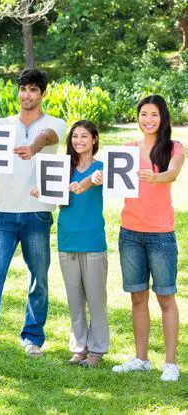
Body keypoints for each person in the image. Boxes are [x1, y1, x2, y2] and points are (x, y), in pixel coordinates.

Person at [0, 68, 67, 362]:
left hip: (38, 214)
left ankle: (32, 338)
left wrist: (32, 147)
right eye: (23, 89)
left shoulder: (56, 124)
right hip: (5, 214)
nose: (27, 95)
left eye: (33, 90)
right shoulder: (0, 124)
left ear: (42, 94)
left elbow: (46, 137)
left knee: (39, 279)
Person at [110, 95, 184, 382]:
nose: (148, 119)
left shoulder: (174, 147)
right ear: (138, 117)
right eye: (144, 114)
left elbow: (173, 173)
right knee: (137, 298)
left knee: (165, 297)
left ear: (162, 117)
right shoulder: (128, 150)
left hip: (161, 235)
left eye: (154, 114)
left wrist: (156, 177)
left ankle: (170, 363)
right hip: (130, 233)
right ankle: (141, 358)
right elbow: (114, 180)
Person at [31, 120, 109, 367]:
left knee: (96, 299)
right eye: (75, 136)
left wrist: (91, 181)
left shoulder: (101, 169)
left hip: (93, 240)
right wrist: (41, 191)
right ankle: (79, 348)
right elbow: (57, 200)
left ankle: (97, 350)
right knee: (74, 299)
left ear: (94, 139)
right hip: (67, 240)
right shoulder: (63, 168)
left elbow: (103, 183)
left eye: (84, 136)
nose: (78, 141)